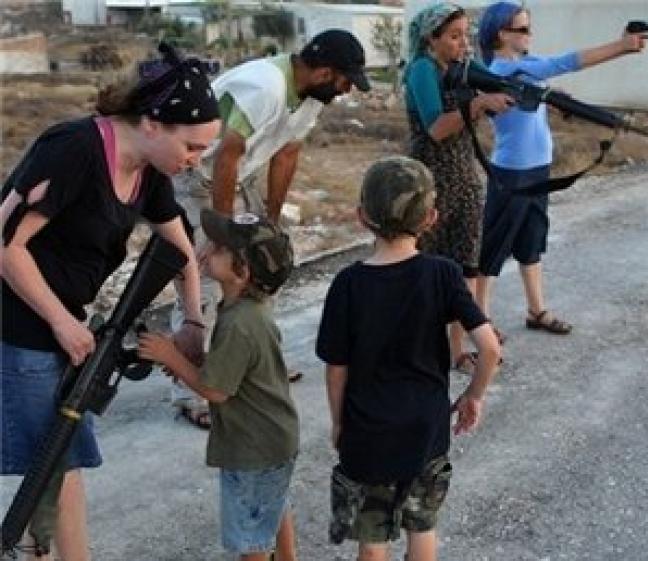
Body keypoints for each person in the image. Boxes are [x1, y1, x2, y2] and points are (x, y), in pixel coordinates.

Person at [0, 43, 221, 560]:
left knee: (62, 460)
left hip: (64, 323)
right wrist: (60, 322)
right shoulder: (74, 149)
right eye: (192, 147)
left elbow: (180, 248)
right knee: (55, 461)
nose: (196, 161)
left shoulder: (148, 171)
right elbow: (7, 246)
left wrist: (193, 322)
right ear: (152, 123)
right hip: (17, 323)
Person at [170, 29, 372, 424]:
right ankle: (192, 392)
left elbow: (286, 154)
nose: (346, 90)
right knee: (207, 274)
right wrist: (222, 233)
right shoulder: (266, 87)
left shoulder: (310, 98)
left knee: (264, 263)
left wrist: (271, 223)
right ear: (324, 72)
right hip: (198, 177)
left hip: (237, 176)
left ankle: (250, 360)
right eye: (345, 81)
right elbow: (225, 157)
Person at [316, 156, 502, 561]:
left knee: (372, 540)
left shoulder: (347, 285)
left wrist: (339, 422)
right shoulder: (444, 273)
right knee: (422, 527)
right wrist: (473, 396)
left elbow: (336, 369)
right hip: (426, 429)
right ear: (431, 218)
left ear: (362, 216)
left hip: (367, 433)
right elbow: (489, 348)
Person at [475, 2, 648, 335]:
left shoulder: (526, 68)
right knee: (494, 249)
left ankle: (536, 310)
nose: (530, 35)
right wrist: (622, 46)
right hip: (511, 173)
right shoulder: (503, 71)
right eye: (523, 29)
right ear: (501, 34)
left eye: (529, 28)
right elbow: (566, 62)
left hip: (537, 169)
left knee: (531, 244)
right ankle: (481, 321)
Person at [138, 208, 299, 561]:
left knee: (250, 535)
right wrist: (194, 364)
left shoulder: (239, 323)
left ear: (243, 272)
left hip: (253, 448)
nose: (208, 248)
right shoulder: (248, 310)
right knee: (272, 507)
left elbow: (215, 391)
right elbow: (237, 369)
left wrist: (171, 357)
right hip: (273, 439)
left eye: (221, 247)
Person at [402, 3, 513, 375]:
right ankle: (419, 344)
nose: (463, 42)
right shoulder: (423, 69)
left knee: (465, 266)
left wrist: (531, 94)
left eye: (465, 34)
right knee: (424, 266)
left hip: (464, 179)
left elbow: (498, 85)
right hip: (430, 182)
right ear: (431, 39)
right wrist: (479, 103)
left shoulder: (463, 67)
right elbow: (436, 128)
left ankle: (458, 348)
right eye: (453, 36)